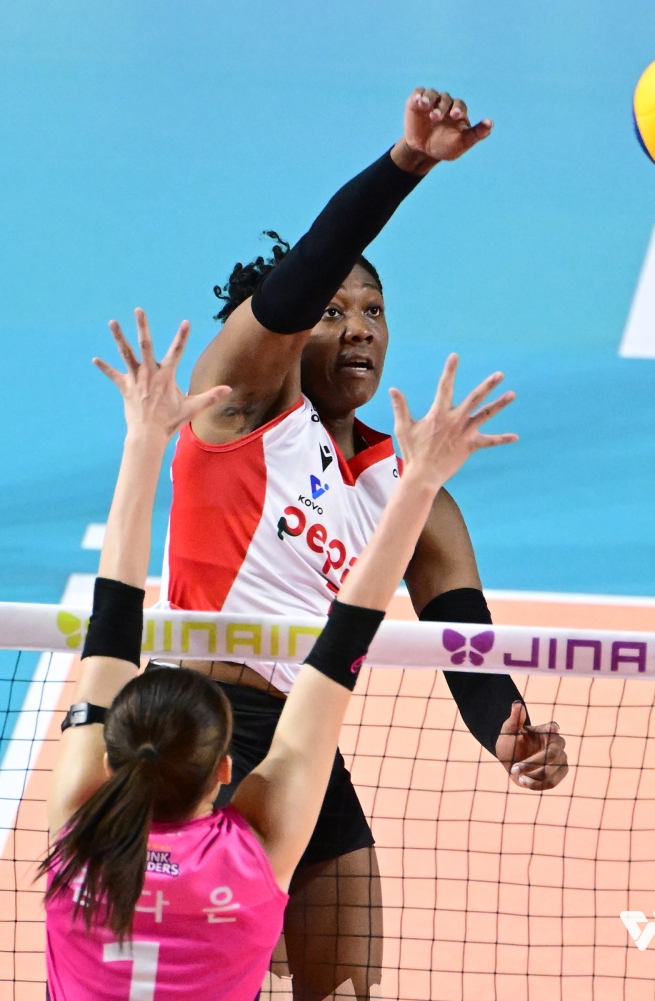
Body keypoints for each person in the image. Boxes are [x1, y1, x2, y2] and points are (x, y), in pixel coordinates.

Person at [155, 87, 569, 999]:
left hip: (305, 740)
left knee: (346, 988)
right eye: (333, 310)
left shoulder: (410, 488)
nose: (358, 329)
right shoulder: (235, 408)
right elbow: (307, 266)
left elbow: (463, 639)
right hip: (195, 728)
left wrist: (507, 731)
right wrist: (408, 162)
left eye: (374, 311)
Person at [41, 311, 518, 1000]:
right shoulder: (252, 854)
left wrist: (144, 439)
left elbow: (115, 620)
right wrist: (416, 489)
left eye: (372, 310)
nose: (358, 327)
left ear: (109, 763)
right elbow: (341, 643)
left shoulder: (77, 843)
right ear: (226, 775)